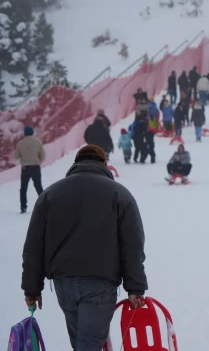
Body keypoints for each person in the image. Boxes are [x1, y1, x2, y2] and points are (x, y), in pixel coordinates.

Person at [21, 145, 148, 350]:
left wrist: (32, 287)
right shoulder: (119, 194)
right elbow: (132, 245)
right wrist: (135, 287)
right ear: (104, 164)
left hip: (64, 285)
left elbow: (34, 246)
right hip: (100, 284)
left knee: (82, 344)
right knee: (87, 346)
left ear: (75, 164)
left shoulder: (50, 194)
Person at [15, 126, 45, 214]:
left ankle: (23, 207)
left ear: (24, 133)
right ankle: (44, 205)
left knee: (23, 188)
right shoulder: (37, 142)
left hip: (25, 168)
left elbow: (16, 156)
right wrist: (38, 162)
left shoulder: (20, 143)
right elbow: (43, 155)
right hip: (35, 167)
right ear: (32, 133)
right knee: (38, 187)